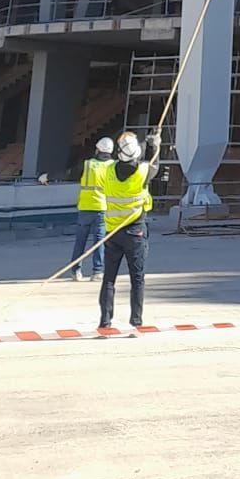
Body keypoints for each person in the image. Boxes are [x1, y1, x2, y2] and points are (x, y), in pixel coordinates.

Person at [95, 128, 161, 334]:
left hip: (112, 232)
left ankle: (105, 320)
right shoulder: (142, 173)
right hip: (135, 232)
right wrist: (155, 144)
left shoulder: (107, 171)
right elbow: (154, 165)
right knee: (137, 278)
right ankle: (136, 320)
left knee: (109, 279)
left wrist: (146, 145)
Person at [68, 137, 114, 279]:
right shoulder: (113, 167)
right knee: (99, 242)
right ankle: (97, 271)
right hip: (102, 208)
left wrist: (47, 177)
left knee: (80, 241)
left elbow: (71, 174)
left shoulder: (87, 164)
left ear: (97, 150)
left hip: (85, 207)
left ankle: (76, 270)